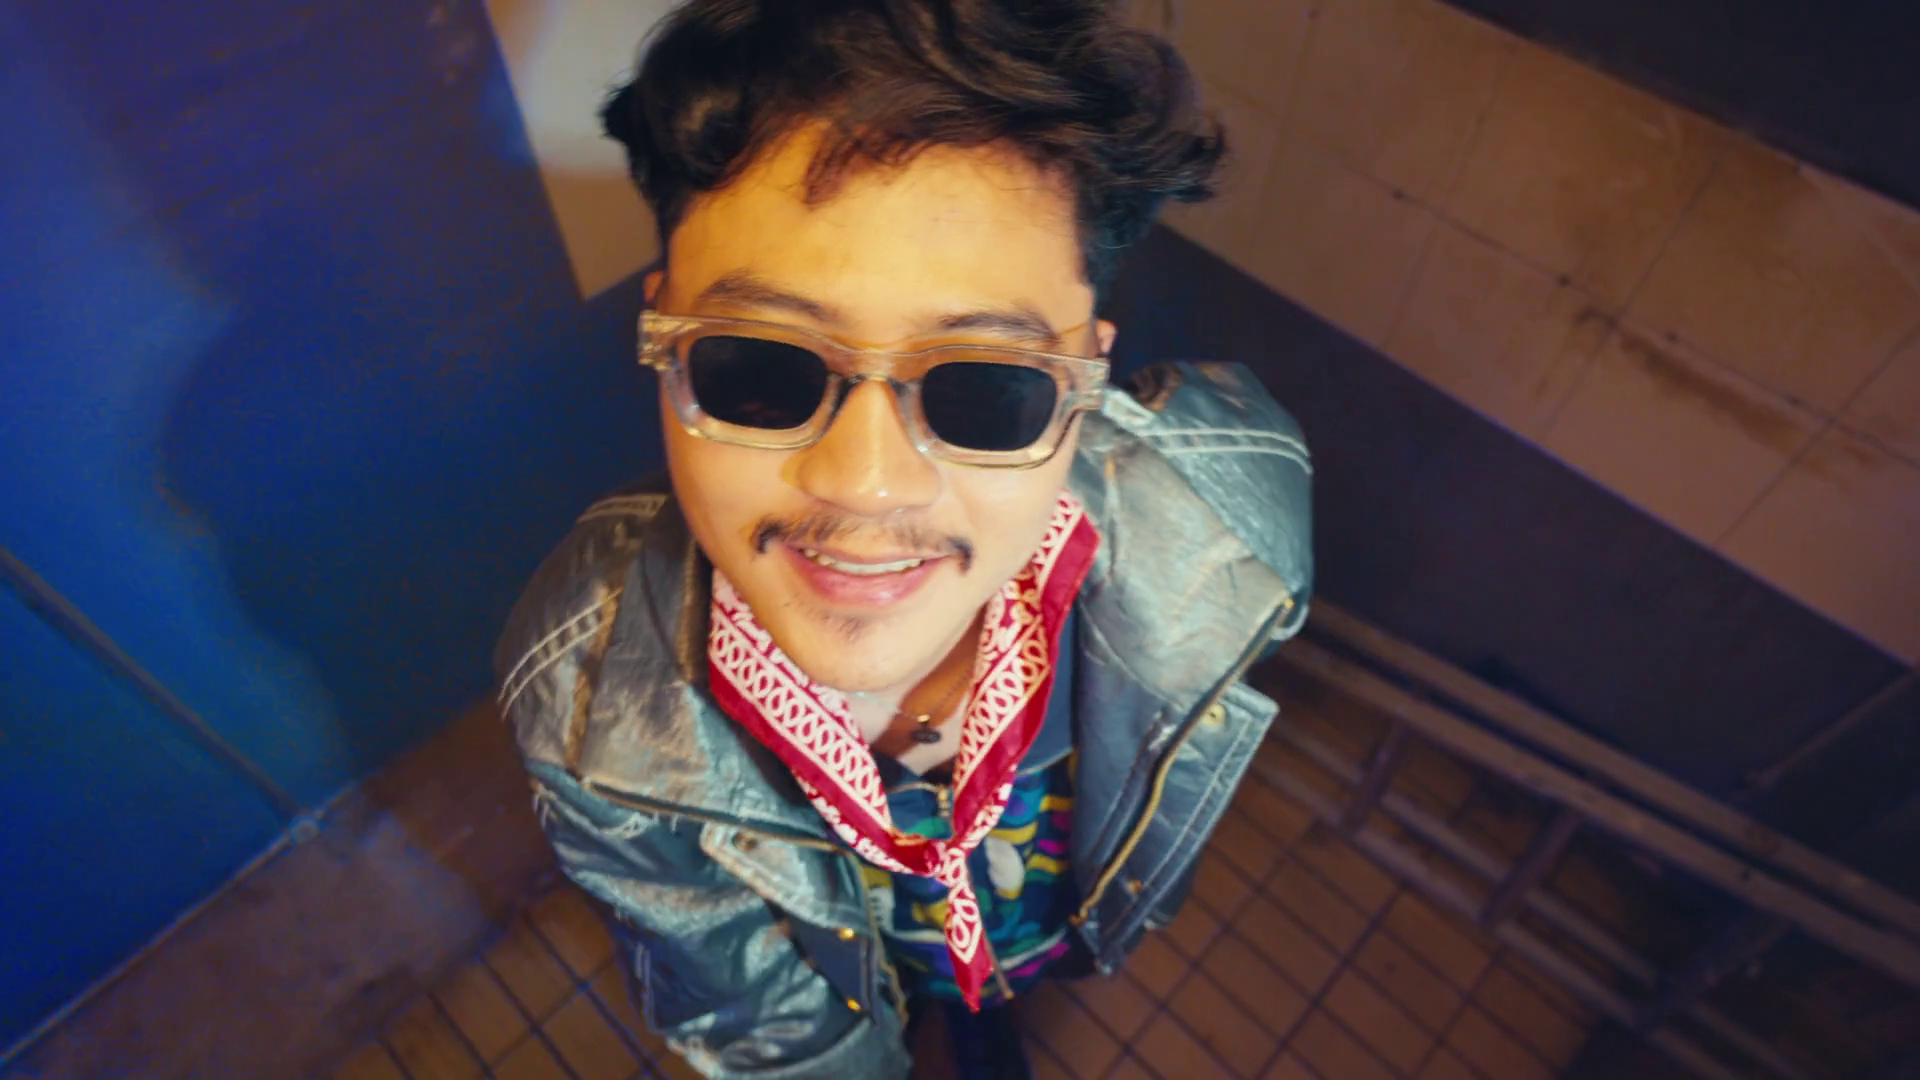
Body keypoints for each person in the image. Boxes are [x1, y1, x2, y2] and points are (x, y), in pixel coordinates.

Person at [493, 1, 1313, 1076]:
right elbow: (755, 1015)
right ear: (662, 334)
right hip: (856, 969)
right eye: (759, 365)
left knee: (993, 1006)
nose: (866, 484)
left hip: (1041, 934)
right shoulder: (589, 698)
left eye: (988, 385)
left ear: (1089, 376)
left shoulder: (1234, 512)